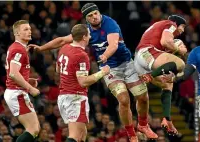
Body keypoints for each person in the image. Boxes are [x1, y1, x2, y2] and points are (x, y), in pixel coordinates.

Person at [28, 3, 157, 141]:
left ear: (99, 12)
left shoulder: (110, 23)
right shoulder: (86, 31)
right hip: (110, 69)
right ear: (86, 19)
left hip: (126, 64)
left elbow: (113, 44)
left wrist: (105, 56)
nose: (94, 17)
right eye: (90, 15)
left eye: (95, 13)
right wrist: (42, 48)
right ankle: (131, 133)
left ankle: (143, 125)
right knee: (124, 99)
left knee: (142, 97)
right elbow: (62, 40)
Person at [134, 15, 187, 135]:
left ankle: (166, 119)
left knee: (167, 83)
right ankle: (151, 75)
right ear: (176, 23)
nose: (183, 30)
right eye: (182, 26)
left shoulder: (159, 27)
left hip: (140, 60)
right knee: (180, 64)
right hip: (147, 52)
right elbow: (165, 41)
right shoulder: (170, 24)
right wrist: (179, 50)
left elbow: (163, 44)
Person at [56, 24, 110, 142]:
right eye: (89, 34)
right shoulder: (81, 55)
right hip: (75, 97)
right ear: (84, 37)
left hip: (63, 96)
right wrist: (102, 72)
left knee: (82, 134)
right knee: (75, 136)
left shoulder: (64, 48)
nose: (90, 36)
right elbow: (83, 82)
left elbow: (58, 70)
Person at [4, 20, 40, 142]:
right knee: (33, 129)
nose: (29, 31)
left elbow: (13, 72)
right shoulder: (18, 49)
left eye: (29, 29)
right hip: (17, 92)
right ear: (17, 33)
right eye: (25, 29)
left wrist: (27, 80)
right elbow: (13, 73)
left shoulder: (18, 48)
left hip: (15, 91)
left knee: (34, 129)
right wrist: (30, 88)